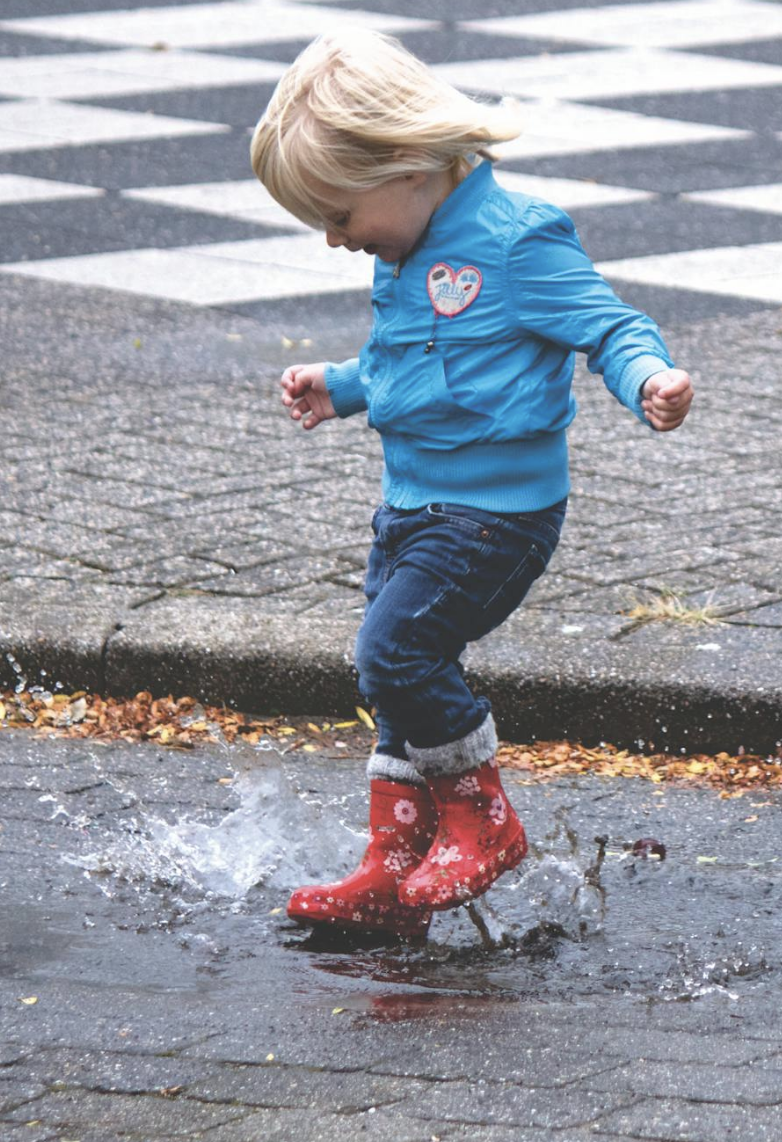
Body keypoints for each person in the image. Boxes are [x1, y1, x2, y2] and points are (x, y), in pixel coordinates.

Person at [251, 29, 693, 939]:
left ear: (409, 167)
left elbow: (609, 326)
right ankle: (395, 857)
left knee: (394, 653)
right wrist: (339, 386)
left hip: (497, 516)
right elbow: (407, 362)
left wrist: (648, 377)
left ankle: (484, 821)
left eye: (338, 214)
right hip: (409, 507)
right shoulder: (402, 253)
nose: (335, 239)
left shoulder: (517, 240)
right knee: (397, 678)